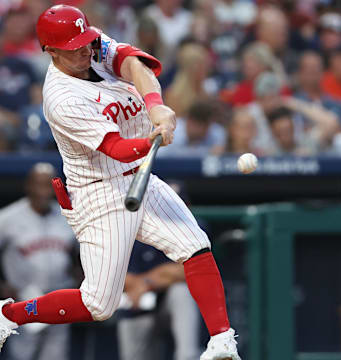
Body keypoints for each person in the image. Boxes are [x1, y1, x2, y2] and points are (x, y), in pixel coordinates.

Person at [0, 5, 241, 360]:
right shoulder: (61, 99)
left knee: (195, 245)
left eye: (85, 41)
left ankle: (222, 340)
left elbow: (132, 63)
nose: (85, 50)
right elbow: (117, 149)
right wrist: (152, 139)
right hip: (100, 190)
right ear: (50, 51)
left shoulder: (91, 44)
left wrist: (156, 105)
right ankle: (8, 314)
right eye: (73, 47)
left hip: (136, 177)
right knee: (99, 304)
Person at [0, 162, 76, 360]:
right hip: (25, 298)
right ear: (28, 186)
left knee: (57, 355)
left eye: (49, 185)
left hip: (60, 297)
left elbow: (79, 255)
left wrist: (79, 275)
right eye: (39, 185)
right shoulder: (7, 218)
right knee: (23, 354)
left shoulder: (67, 216)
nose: (44, 191)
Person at [117, 241, 200, 360]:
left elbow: (189, 269)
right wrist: (161, 276)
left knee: (181, 291)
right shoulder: (120, 228)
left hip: (168, 303)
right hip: (136, 306)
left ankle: (188, 357)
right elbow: (111, 276)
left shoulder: (186, 224)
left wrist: (146, 283)